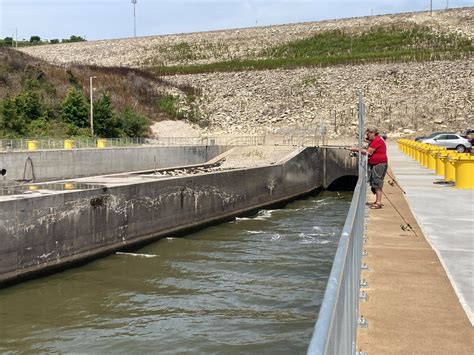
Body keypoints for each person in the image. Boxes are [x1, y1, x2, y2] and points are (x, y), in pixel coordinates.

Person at [351, 127, 388, 209]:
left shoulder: (377, 140)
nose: (367, 136)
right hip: (376, 164)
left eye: (368, 134)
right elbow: (369, 142)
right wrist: (362, 139)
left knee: (377, 183)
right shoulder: (376, 140)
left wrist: (356, 149)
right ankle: (377, 201)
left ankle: (378, 203)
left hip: (379, 164)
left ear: (372, 133)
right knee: (375, 182)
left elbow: (368, 152)